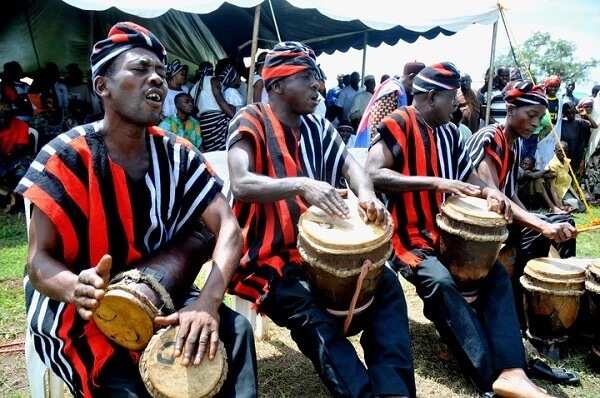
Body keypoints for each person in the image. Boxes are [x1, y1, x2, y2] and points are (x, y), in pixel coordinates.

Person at [15, 22, 258, 398]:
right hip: (79, 310)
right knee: (125, 385)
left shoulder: (177, 154)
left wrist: (208, 301)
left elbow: (227, 227)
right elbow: (38, 262)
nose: (157, 80)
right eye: (140, 69)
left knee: (235, 333)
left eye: (161, 72)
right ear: (103, 86)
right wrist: (75, 286)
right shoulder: (64, 157)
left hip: (161, 290)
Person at [228, 41, 416, 398]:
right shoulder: (251, 117)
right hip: (269, 261)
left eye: (319, 77)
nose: (319, 85)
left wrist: (367, 195)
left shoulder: (319, 128)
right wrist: (301, 184)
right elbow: (241, 182)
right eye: (308, 76)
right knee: (310, 313)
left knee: (387, 286)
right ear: (277, 84)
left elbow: (352, 168)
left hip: (317, 252)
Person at [367, 62, 553, 398]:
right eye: (452, 97)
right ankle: (488, 379)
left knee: (495, 275)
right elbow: (373, 173)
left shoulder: (451, 132)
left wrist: (491, 191)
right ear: (431, 95)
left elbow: (471, 179)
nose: (458, 103)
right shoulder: (399, 123)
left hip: (447, 236)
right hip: (407, 239)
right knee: (440, 282)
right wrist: (436, 182)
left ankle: (513, 370)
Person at [467, 80, 576, 298]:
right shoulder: (490, 137)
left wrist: (533, 218)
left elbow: (511, 192)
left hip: (503, 218)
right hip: (479, 223)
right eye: (531, 115)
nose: (535, 123)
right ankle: (520, 297)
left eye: (539, 117)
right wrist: (537, 224)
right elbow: (493, 195)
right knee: (539, 230)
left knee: (563, 223)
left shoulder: (514, 143)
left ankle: (554, 294)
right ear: (510, 109)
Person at [353, 62, 425, 146]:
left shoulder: (401, 91)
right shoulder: (392, 91)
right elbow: (378, 127)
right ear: (412, 77)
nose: (420, 87)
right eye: (420, 83)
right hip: (379, 147)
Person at [197, 59, 241, 152]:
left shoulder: (198, 84)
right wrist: (235, 117)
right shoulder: (214, 80)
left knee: (213, 148)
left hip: (205, 122)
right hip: (215, 119)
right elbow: (220, 101)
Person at [0, 100, 33, 210]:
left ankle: (18, 199)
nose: (3, 113)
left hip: (15, 159)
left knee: (22, 170)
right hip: (3, 159)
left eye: (5, 110)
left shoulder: (21, 125)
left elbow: (20, 150)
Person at [561, 101, 595, 175]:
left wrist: (586, 115)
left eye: (573, 112)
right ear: (565, 113)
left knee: (573, 174)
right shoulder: (561, 123)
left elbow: (594, 125)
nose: (571, 115)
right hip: (564, 155)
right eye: (568, 113)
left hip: (576, 156)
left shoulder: (580, 122)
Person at [547, 141, 583, 211]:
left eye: (565, 151)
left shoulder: (566, 162)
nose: (563, 153)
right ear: (555, 151)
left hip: (566, 190)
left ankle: (570, 204)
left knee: (582, 206)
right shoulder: (552, 165)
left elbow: (568, 184)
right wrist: (559, 206)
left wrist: (578, 198)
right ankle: (561, 205)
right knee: (578, 206)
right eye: (560, 151)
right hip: (559, 194)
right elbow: (552, 189)